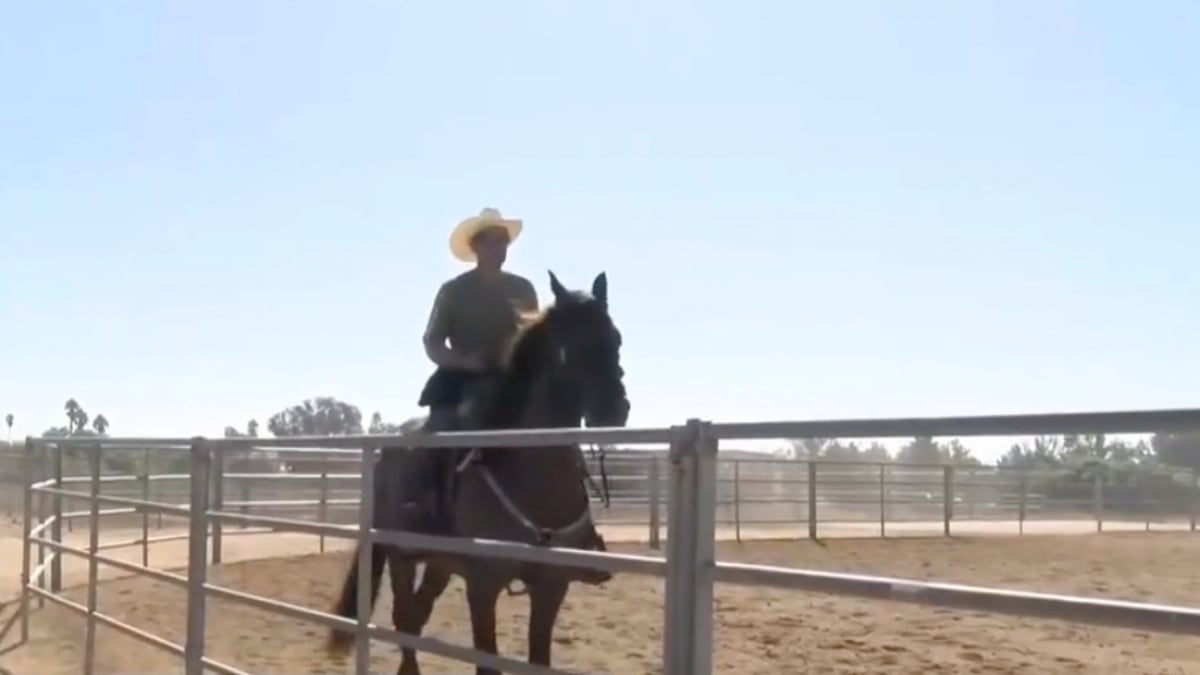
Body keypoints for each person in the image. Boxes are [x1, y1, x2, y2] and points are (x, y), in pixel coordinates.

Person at [394, 207, 539, 528]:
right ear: (475, 248)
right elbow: (432, 343)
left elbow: (533, 340)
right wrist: (464, 362)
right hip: (460, 378)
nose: (497, 248)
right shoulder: (454, 291)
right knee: (439, 426)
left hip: (512, 378)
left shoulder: (524, 289)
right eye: (489, 241)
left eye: (501, 241)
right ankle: (420, 500)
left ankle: (573, 515)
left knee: (553, 419)